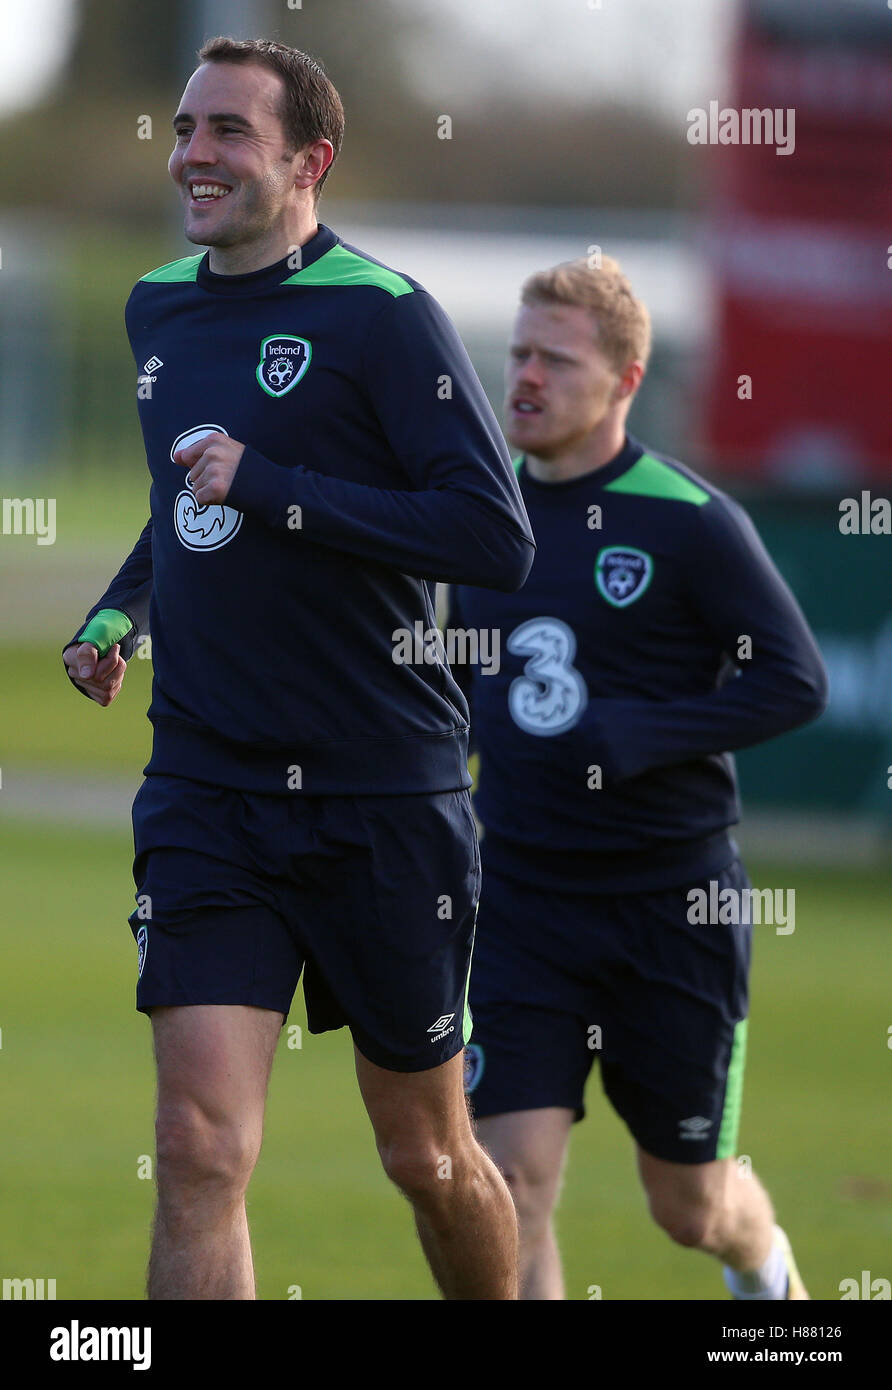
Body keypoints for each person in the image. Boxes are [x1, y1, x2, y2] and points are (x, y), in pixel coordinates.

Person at [62, 36, 534, 1301]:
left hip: (384, 796)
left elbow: (492, 534)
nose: (192, 157)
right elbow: (185, 508)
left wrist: (273, 489)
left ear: (308, 161)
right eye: (183, 127)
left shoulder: (384, 316)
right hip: (209, 789)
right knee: (197, 1147)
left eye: (227, 133)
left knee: (427, 1154)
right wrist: (119, 614)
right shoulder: (155, 303)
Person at [449, 254, 828, 1300]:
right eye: (518, 353)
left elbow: (794, 681)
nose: (524, 377)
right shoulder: (479, 518)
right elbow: (454, 689)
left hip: (672, 907)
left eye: (556, 361)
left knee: (686, 1206)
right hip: (522, 905)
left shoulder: (690, 520)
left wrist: (646, 732)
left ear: (623, 381)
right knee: (509, 1181)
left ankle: (768, 1273)